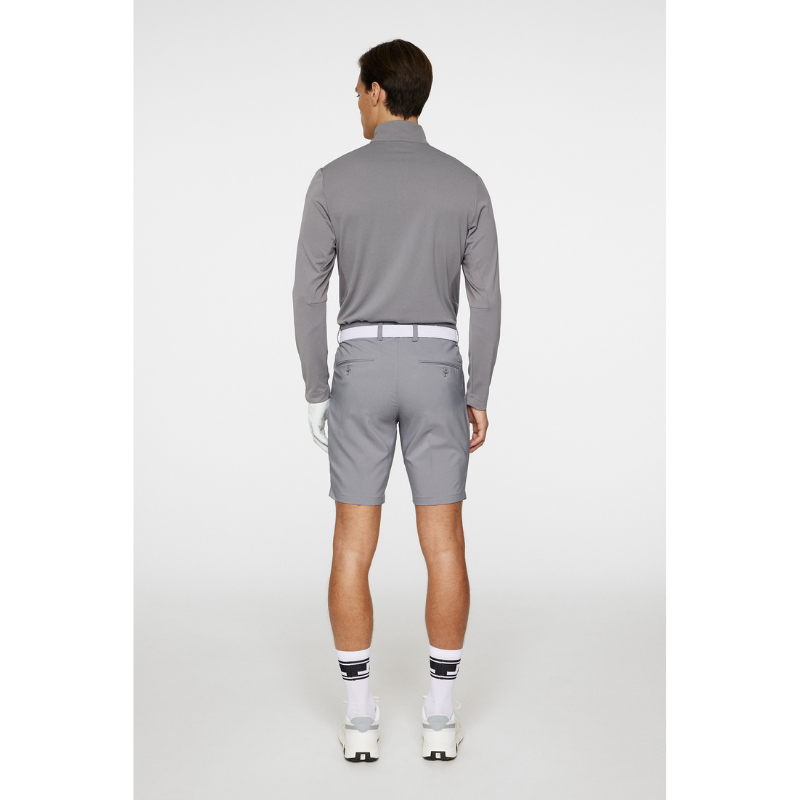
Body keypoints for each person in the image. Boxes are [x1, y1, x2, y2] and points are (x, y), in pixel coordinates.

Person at [291, 39, 501, 762]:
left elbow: (308, 293)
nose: (355, 101)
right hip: (438, 365)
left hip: (361, 366)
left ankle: (360, 720)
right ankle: (440, 716)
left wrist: (317, 388)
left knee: (352, 546)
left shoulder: (332, 180)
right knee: (445, 545)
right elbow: (486, 299)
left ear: (379, 92)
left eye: (358, 90)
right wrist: (478, 390)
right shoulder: (466, 184)